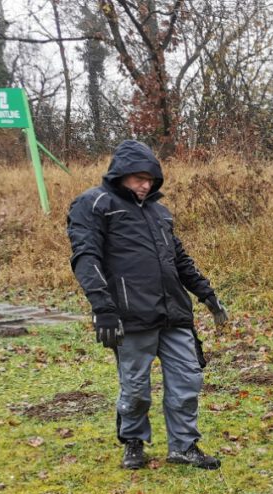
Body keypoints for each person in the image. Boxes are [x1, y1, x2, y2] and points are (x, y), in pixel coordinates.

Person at [67, 139, 228, 471]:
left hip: (175, 313)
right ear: (121, 174)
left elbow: (179, 259)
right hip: (130, 315)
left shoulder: (159, 212)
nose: (146, 185)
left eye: (151, 179)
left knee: (187, 380)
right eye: (139, 178)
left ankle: (184, 446)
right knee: (136, 387)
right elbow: (86, 257)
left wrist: (207, 294)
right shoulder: (94, 204)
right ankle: (133, 441)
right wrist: (103, 308)